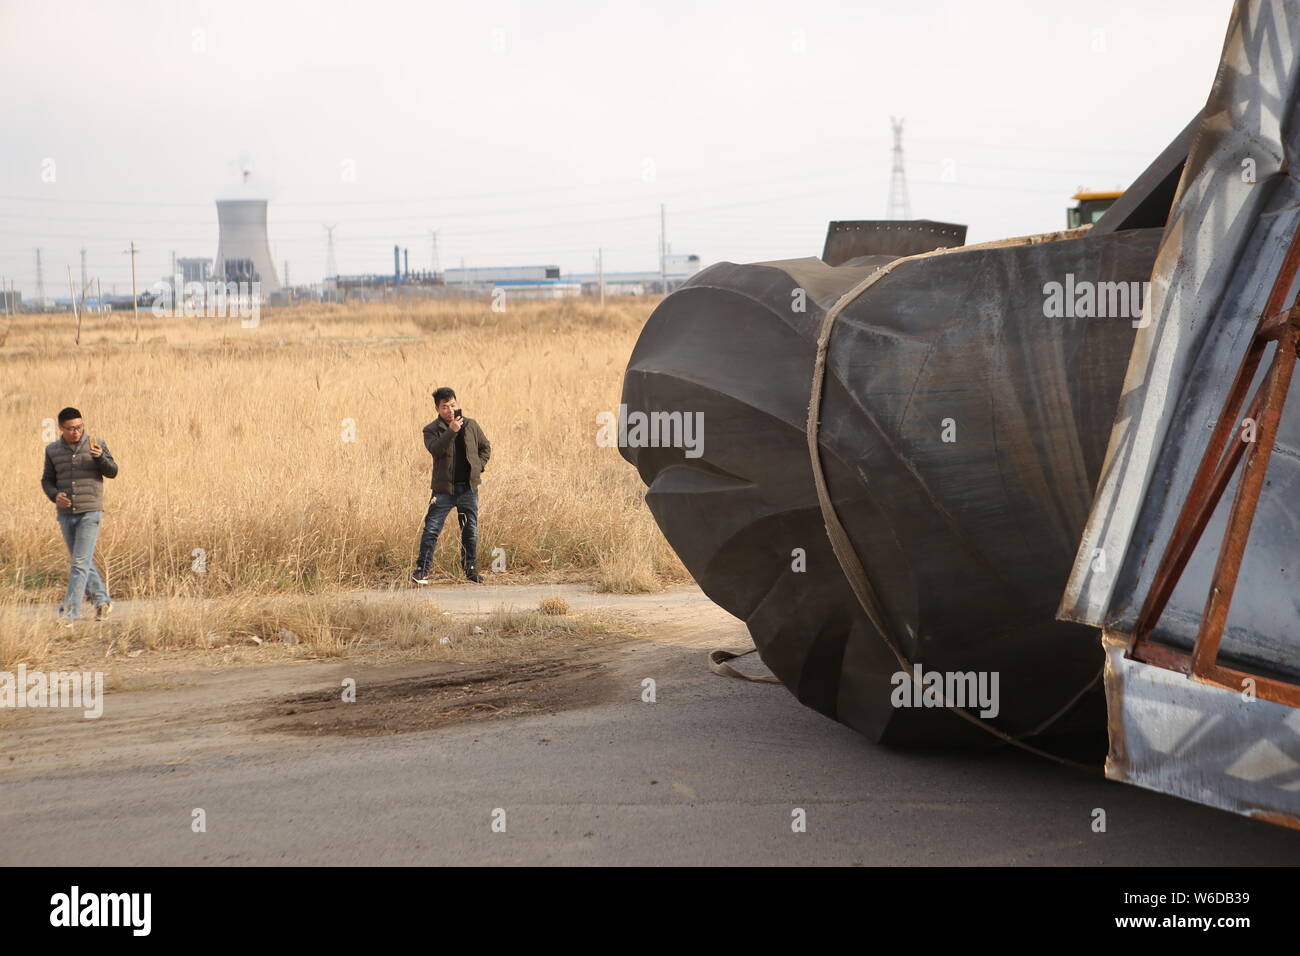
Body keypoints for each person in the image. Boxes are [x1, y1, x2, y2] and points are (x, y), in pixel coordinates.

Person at [40, 406, 118, 625]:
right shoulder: (53, 450)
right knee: (80, 561)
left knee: (79, 563)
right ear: (61, 428)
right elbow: (47, 480)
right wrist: (55, 496)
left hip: (90, 511)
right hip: (65, 513)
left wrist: (101, 458)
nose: (76, 432)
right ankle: (102, 601)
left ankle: (70, 614)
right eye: (71, 428)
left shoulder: (96, 444)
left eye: (79, 427)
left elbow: (113, 471)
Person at [413, 387, 491, 584]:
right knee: (431, 528)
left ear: (458, 403)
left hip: (468, 488)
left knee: (470, 530)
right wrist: (451, 432)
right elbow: (436, 450)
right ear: (438, 409)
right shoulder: (431, 430)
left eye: (453, 405)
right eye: (445, 407)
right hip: (443, 490)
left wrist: (478, 467)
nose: (450, 410)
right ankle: (422, 571)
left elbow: (485, 447)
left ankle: (470, 570)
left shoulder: (471, 425)